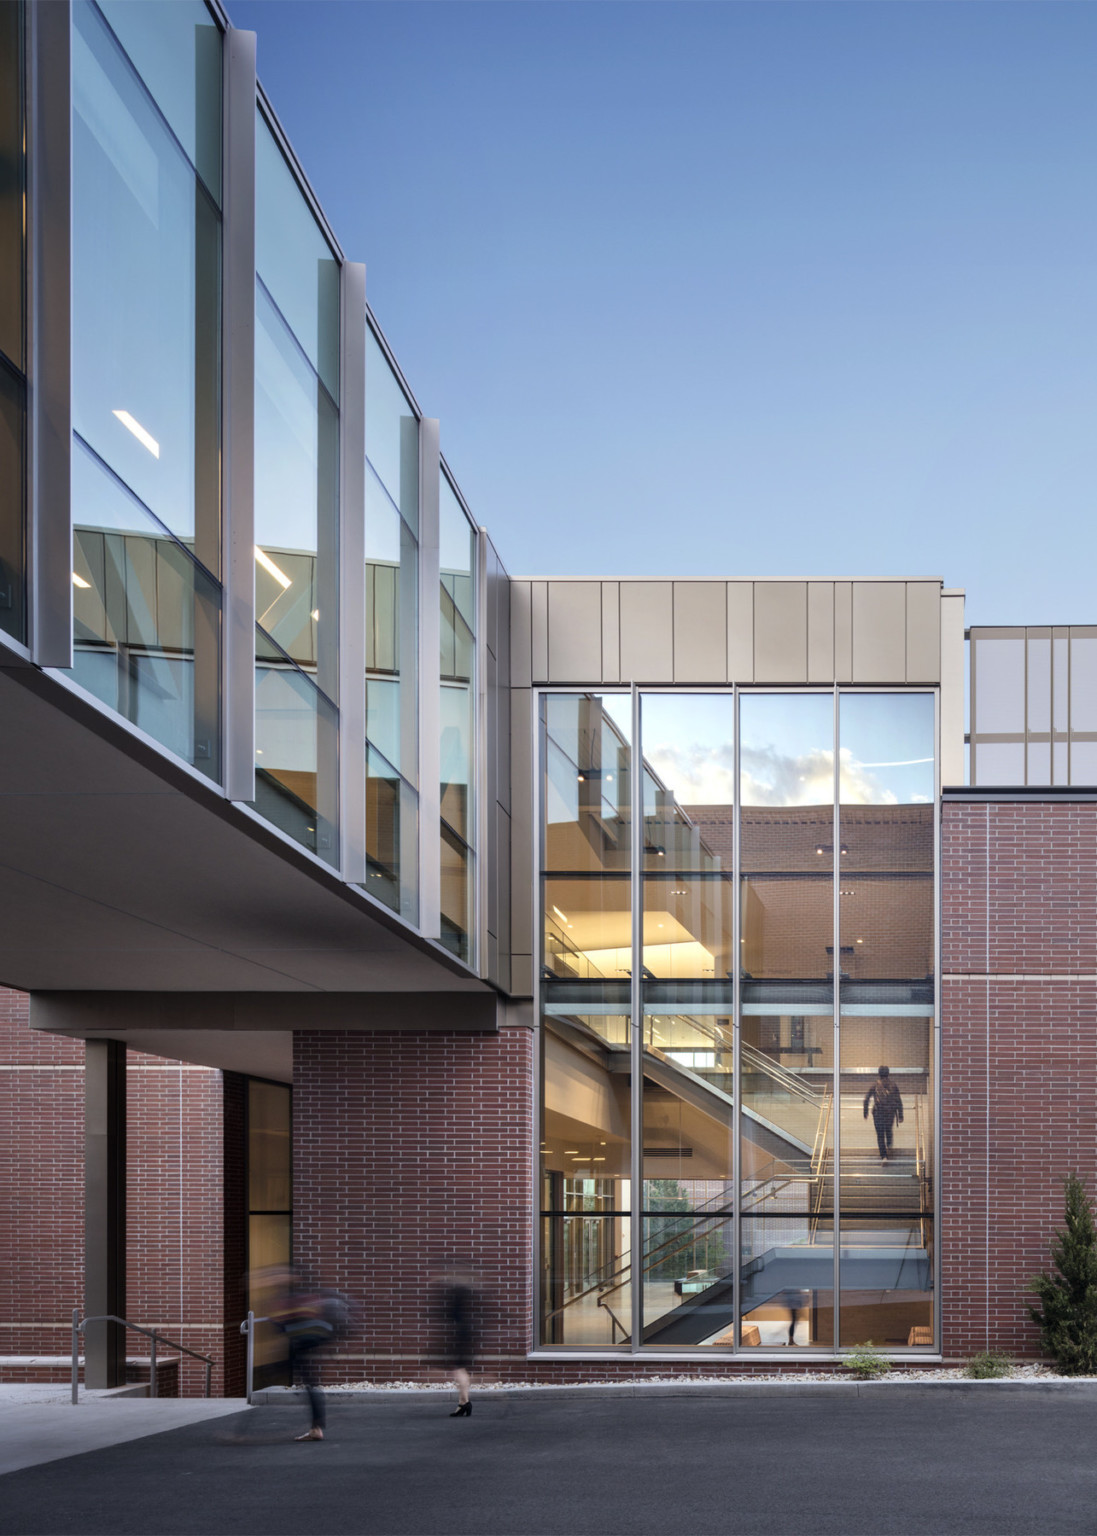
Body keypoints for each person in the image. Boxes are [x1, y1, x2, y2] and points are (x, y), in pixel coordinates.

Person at [267, 1266, 347, 1442]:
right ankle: (316, 1427)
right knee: (310, 1384)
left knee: (310, 1385)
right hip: (301, 1344)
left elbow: (286, 1323)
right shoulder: (288, 1296)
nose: (276, 1279)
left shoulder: (293, 1297)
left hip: (302, 1345)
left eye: (280, 1275)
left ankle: (316, 1427)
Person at [432, 1263, 479, 1417]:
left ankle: (465, 1402)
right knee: (462, 1368)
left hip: (460, 1334)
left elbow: (450, 1314)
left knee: (458, 1368)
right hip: (468, 1332)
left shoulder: (457, 1292)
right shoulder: (469, 1291)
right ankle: (462, 1403)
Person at [863, 1064, 904, 1163]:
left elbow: (866, 1099)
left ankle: (884, 1156)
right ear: (888, 1073)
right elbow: (898, 1100)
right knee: (889, 1130)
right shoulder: (894, 1085)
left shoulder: (875, 1085)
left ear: (879, 1073)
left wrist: (865, 1112)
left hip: (878, 1113)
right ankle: (889, 1146)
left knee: (880, 1135)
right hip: (890, 1113)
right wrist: (901, 1115)